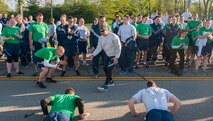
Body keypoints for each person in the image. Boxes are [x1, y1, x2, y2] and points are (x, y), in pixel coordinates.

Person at [90, 24, 121, 92]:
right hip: (107, 55)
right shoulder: (101, 38)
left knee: (109, 69)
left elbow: (118, 47)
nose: (102, 33)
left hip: (114, 55)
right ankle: (111, 81)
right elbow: (99, 48)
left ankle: (106, 85)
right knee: (104, 68)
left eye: (103, 31)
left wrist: (116, 57)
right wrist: (93, 54)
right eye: (100, 31)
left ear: (107, 30)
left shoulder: (114, 36)